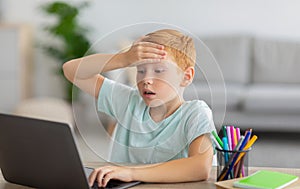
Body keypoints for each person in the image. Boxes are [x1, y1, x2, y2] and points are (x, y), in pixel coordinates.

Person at [63, 29, 216, 187]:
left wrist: (131, 173)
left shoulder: (196, 113)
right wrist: (123, 59)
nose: (146, 79)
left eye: (158, 71)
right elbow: (71, 70)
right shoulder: (129, 101)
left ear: (186, 77)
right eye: (141, 70)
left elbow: (200, 167)